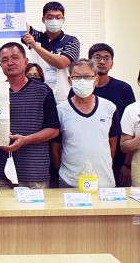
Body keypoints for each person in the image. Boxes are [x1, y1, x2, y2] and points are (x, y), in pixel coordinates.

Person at [0, 42, 60, 188]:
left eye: (15, 57)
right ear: (0, 65)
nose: (10, 62)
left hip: (35, 173)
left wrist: (26, 140)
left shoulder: (43, 91)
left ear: (25, 61)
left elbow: (53, 130)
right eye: (5, 60)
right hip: (1, 173)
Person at [51, 58, 121, 188]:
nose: (82, 81)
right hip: (70, 183)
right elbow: (55, 149)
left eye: (88, 77)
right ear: (70, 80)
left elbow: (112, 144)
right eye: (77, 77)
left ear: (96, 79)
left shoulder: (109, 108)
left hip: (104, 182)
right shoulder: (60, 110)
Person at [84, 43, 136, 187]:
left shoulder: (124, 89)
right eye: (97, 57)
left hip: (118, 158)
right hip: (87, 156)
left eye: (107, 58)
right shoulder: (79, 89)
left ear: (112, 64)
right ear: (89, 62)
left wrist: (127, 164)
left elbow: (132, 128)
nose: (102, 62)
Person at [22, 1, 80, 103]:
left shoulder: (72, 41)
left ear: (63, 20)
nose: (54, 20)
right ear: (43, 19)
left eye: (58, 17)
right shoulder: (37, 37)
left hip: (62, 98)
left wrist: (35, 46)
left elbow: (61, 63)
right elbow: (19, 23)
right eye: (49, 17)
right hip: (38, 97)